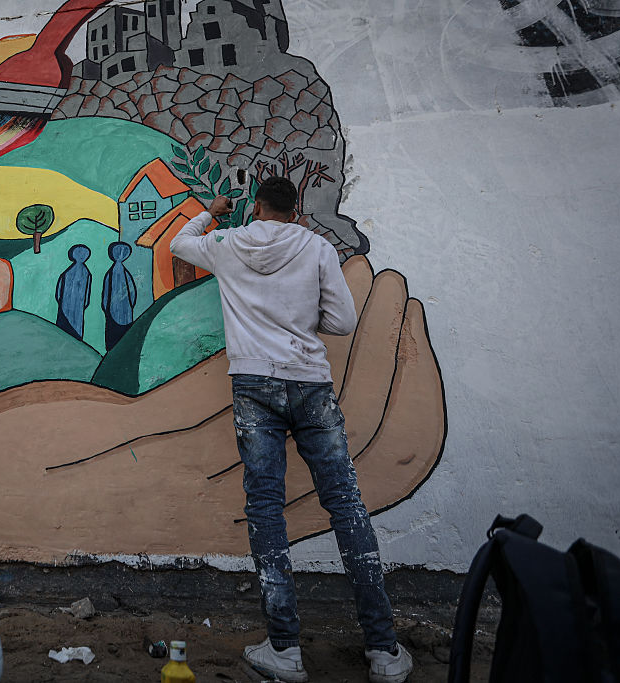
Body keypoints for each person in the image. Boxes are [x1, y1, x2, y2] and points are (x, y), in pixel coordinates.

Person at [169, 178, 414, 683]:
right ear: (296, 209)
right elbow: (343, 322)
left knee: (265, 507)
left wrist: (212, 211)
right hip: (310, 383)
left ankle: (284, 649)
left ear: (257, 206)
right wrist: (303, 320)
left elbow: (178, 243)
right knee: (344, 504)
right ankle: (384, 651)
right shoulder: (318, 247)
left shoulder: (228, 243)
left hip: (253, 383)